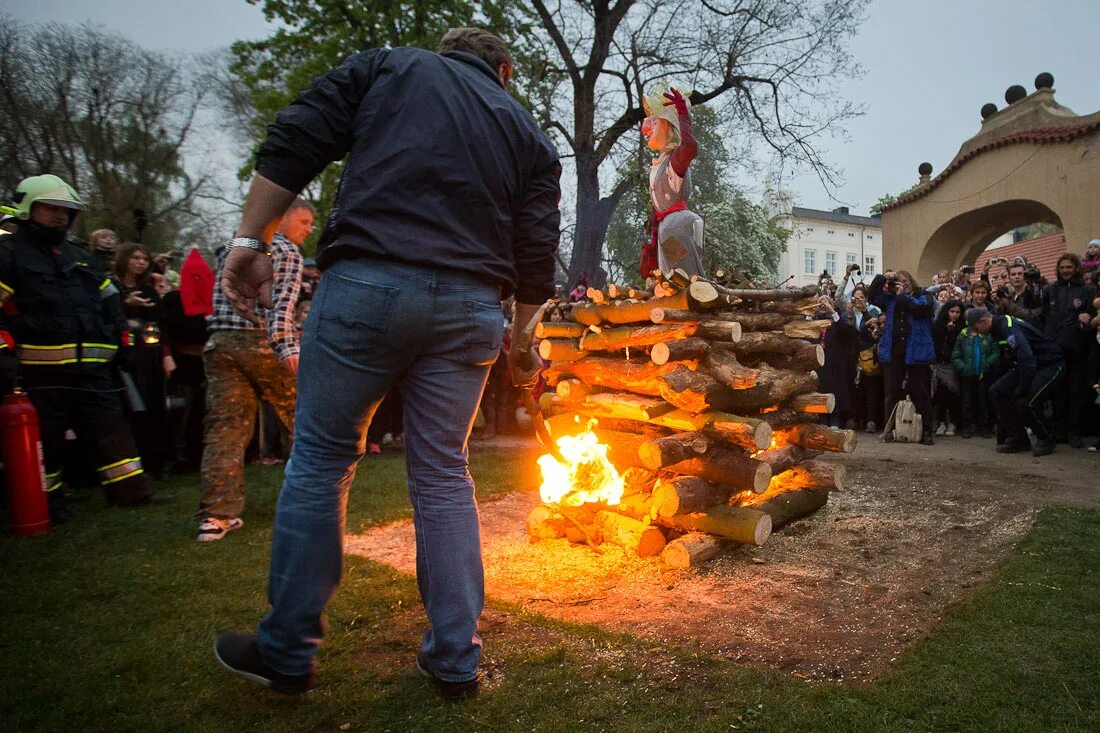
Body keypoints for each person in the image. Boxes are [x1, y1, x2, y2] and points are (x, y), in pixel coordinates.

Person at [212, 28, 559, 701]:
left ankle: (287, 651)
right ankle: (456, 658)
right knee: (442, 474)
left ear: (446, 53)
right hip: (470, 305)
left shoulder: (389, 69)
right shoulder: (527, 132)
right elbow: (536, 245)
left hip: (367, 283)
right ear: (505, 72)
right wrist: (522, 335)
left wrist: (249, 237)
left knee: (320, 457)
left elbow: (297, 137)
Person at [0, 175, 171, 521]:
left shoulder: (80, 255)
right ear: (26, 208)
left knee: (112, 431)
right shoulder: (9, 253)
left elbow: (110, 300)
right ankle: (47, 502)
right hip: (40, 368)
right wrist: (3, 353)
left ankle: (131, 492)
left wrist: (123, 339)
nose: (60, 216)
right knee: (46, 440)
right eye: (51, 208)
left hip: (96, 368)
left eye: (66, 210)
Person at [195, 200, 309, 541]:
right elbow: (280, 308)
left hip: (221, 344)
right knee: (305, 421)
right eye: (303, 221)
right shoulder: (286, 251)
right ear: (283, 216)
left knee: (225, 430)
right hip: (260, 343)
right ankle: (314, 504)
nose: (308, 229)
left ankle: (216, 516)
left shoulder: (237, 243)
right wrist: (290, 350)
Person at [967, 308, 1065, 456]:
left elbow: (1026, 357)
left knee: (1027, 402)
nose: (977, 332)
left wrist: (1023, 387)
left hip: (1049, 363)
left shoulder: (1008, 328)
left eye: (976, 328)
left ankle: (1046, 438)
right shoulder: (997, 329)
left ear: (984, 321)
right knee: (997, 392)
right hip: (1028, 365)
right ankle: (1018, 438)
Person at [639, 81, 701, 277]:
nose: (648, 126)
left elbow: (690, 147)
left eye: (655, 122)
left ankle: (693, 301)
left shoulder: (675, 159)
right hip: (666, 224)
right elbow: (659, 201)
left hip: (676, 224)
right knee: (670, 277)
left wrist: (683, 115)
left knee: (683, 278)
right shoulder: (660, 163)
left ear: (668, 127)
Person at [869, 269, 936, 445]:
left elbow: (921, 308)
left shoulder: (924, 295)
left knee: (919, 392)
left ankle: (926, 431)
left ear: (912, 281)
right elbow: (872, 296)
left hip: (916, 351)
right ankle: (889, 430)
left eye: (905, 280)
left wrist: (902, 296)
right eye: (899, 281)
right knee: (891, 393)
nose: (902, 284)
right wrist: (883, 278)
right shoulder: (890, 298)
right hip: (893, 351)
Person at [1041, 253, 1097, 448]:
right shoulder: (1050, 290)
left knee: (1076, 390)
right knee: (1058, 389)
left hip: (1077, 348)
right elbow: (1043, 316)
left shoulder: (1088, 290)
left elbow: (1092, 316)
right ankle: (1059, 431)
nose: (1065, 271)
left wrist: (1087, 317)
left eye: (1069, 267)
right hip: (1054, 347)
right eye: (1062, 267)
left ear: (1076, 268)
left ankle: (1074, 430)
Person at [951, 307, 999, 439]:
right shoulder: (964, 334)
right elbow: (956, 354)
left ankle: (984, 426)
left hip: (984, 374)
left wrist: (987, 364)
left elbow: (995, 352)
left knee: (984, 401)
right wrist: (963, 367)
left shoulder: (989, 334)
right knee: (967, 401)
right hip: (967, 375)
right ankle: (966, 426)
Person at [930, 300, 964, 436]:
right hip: (939, 363)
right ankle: (942, 422)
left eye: (957, 312)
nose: (954, 315)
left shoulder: (961, 328)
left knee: (953, 395)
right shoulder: (938, 325)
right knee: (940, 395)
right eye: (952, 312)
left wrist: (951, 331)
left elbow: (954, 345)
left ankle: (953, 423)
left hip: (953, 365)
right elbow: (936, 343)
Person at [991, 261, 1044, 325]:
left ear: (1025, 275)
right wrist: (998, 304)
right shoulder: (1010, 296)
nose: (1017, 277)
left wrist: (1009, 305)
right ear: (1009, 278)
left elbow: (1033, 316)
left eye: (1020, 274)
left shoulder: (1034, 293)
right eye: (1013, 274)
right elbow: (1001, 319)